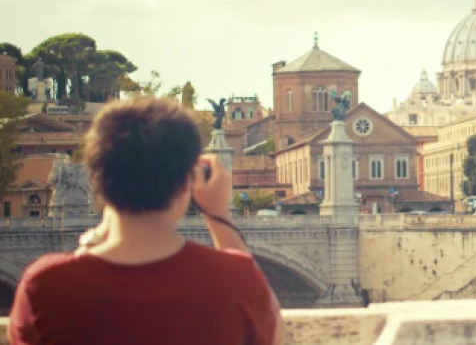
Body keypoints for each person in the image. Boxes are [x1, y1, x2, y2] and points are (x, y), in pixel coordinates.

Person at [9, 97, 285, 345]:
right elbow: (273, 334)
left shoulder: (45, 284)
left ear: (94, 179)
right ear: (187, 183)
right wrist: (219, 216)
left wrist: (91, 244)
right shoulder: (235, 279)